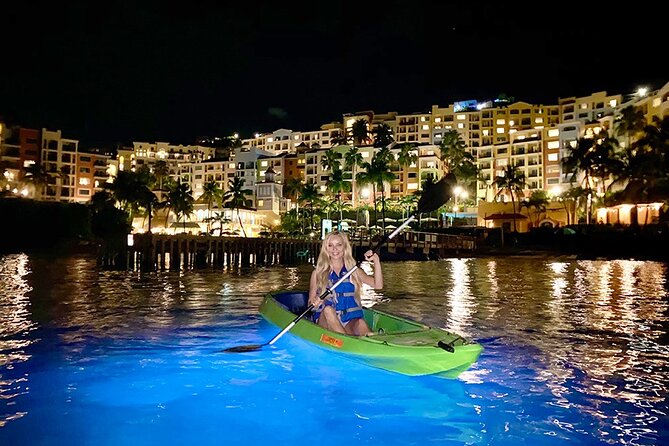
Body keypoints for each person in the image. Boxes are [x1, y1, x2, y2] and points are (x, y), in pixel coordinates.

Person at [308, 231, 383, 336]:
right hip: (325, 321)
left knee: (361, 323)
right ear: (325, 249)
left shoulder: (353, 271)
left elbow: (378, 285)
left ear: (345, 247)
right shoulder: (317, 273)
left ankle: (370, 342)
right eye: (330, 245)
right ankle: (347, 342)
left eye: (339, 245)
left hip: (349, 320)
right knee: (328, 310)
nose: (335, 249)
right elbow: (310, 303)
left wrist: (376, 261)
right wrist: (315, 302)